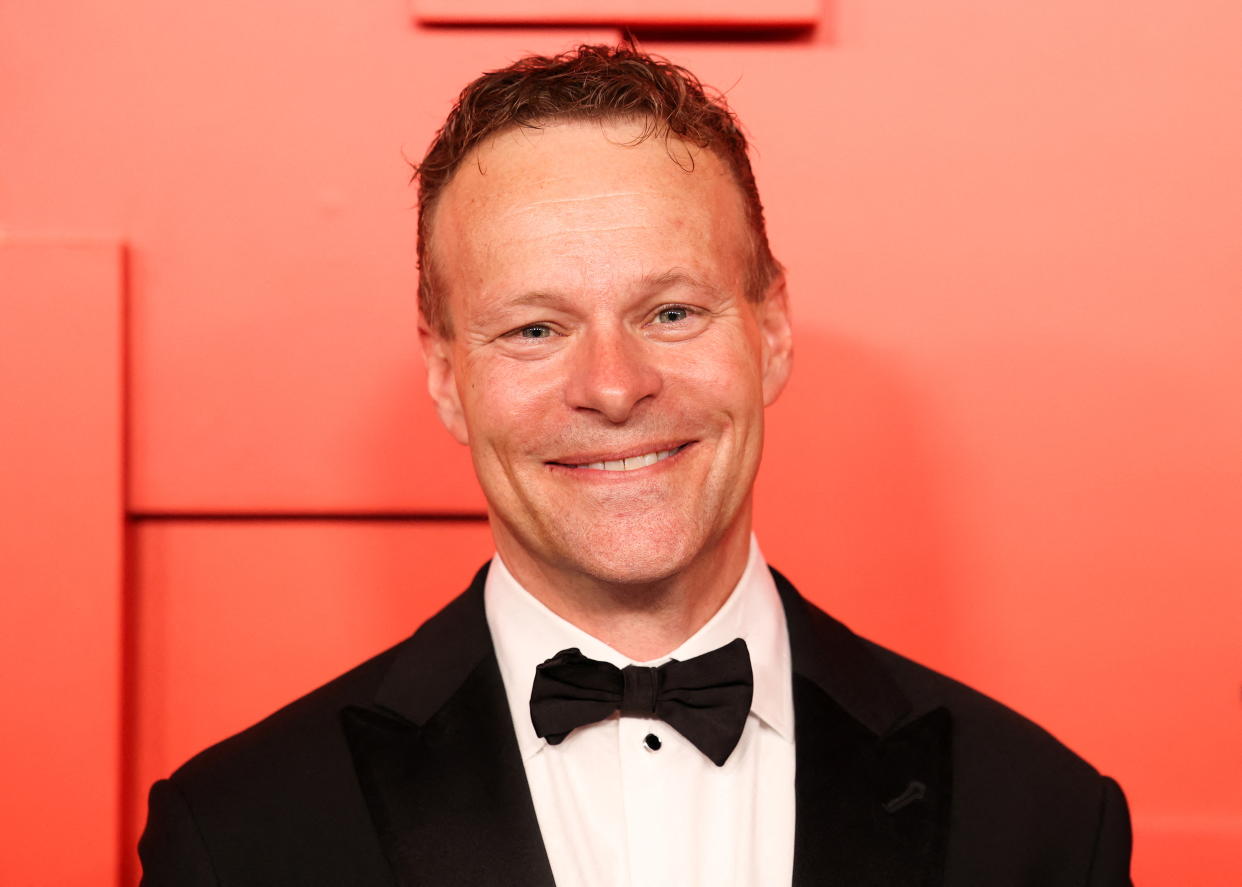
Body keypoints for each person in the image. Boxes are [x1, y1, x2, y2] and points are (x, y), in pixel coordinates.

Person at [138, 43, 1133, 886]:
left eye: (671, 311)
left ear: (772, 330)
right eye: (534, 327)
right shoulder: (240, 834)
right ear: (446, 375)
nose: (613, 386)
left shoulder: (1040, 821)